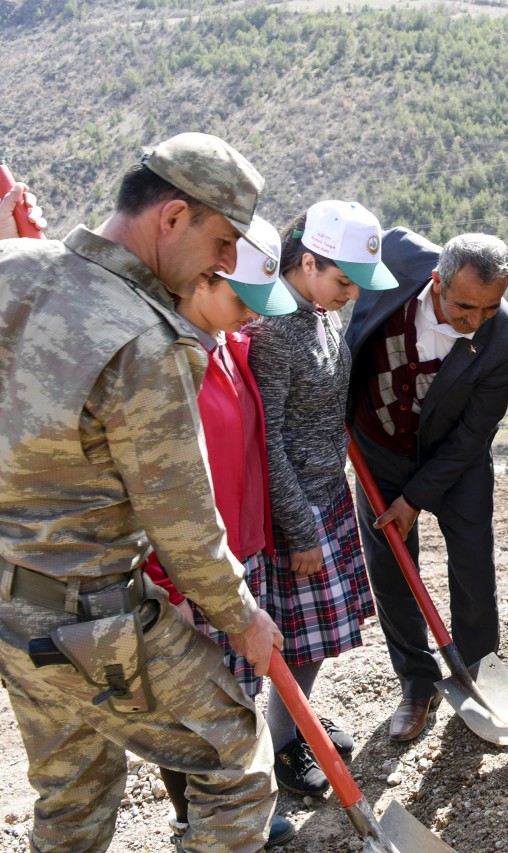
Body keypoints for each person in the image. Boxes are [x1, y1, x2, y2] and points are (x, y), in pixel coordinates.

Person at [0, 132, 282, 852]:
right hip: (88, 618)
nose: (226, 264)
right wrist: (242, 615)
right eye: (224, 243)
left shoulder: (11, 270)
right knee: (238, 755)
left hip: (10, 608)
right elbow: (181, 518)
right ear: (173, 217)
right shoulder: (143, 341)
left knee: (75, 788)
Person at [142, 217, 297, 849]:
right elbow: (151, 482)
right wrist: (165, 585)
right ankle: (194, 820)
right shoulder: (162, 359)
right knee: (190, 712)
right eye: (241, 300)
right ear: (204, 278)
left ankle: (232, 812)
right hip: (183, 570)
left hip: (238, 552)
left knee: (236, 697)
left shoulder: (228, 344)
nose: (249, 316)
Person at [346, 230, 508, 740]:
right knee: (391, 570)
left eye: (490, 310)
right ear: (436, 281)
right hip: (377, 448)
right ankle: (417, 683)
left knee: (473, 565)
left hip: (455, 461)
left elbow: (472, 435)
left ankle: (480, 670)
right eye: (466, 308)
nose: (477, 323)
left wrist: (414, 499)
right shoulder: (397, 255)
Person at [246, 200, 392, 795]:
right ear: (307, 262)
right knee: (296, 637)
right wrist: (301, 530)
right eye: (343, 281)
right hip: (294, 510)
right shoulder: (275, 328)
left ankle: (294, 719)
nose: (351, 295)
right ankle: (285, 743)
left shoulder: (320, 309)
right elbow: (268, 438)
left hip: (326, 493)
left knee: (316, 637)